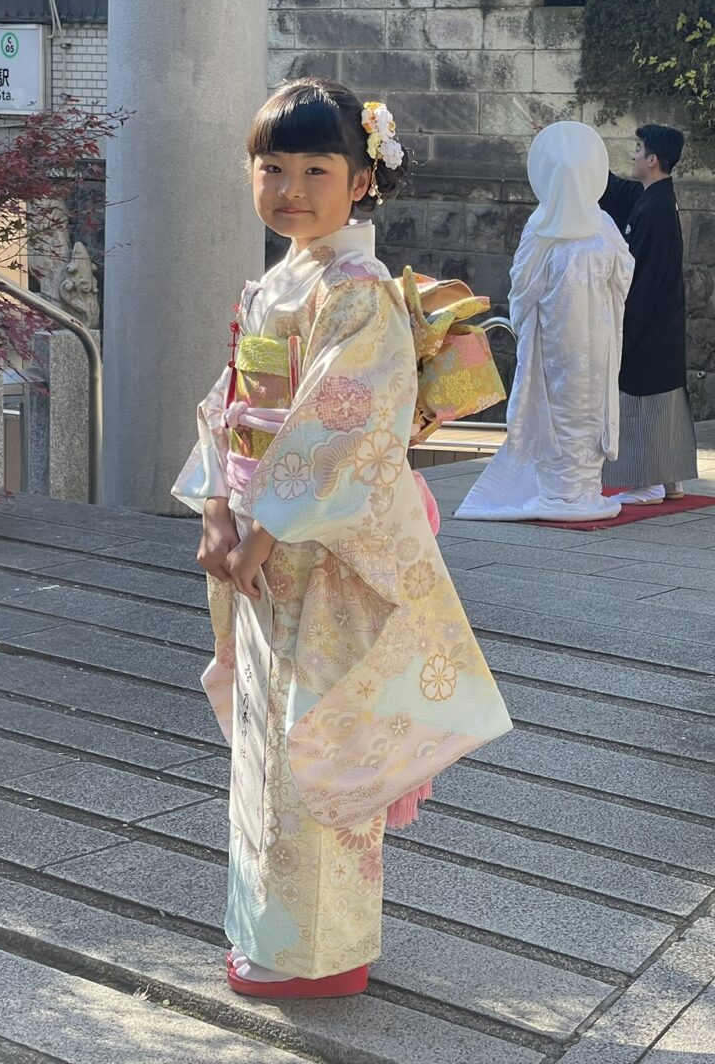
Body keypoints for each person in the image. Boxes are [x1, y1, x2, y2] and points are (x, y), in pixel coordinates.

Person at [172, 79, 513, 1001]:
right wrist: (216, 509)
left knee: (317, 744)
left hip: (320, 554)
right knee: (265, 739)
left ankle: (321, 952)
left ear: (362, 181)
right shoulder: (279, 283)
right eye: (271, 167)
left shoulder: (355, 292)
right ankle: (271, 933)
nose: (290, 188)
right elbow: (228, 407)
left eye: (315, 170)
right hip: (258, 537)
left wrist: (260, 531)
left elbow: (345, 425)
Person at [456, 122, 634, 522]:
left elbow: (523, 288)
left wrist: (528, 320)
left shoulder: (544, 227)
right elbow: (623, 274)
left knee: (568, 411)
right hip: (589, 340)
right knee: (581, 410)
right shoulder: (600, 225)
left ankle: (566, 489)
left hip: (562, 339)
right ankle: (577, 490)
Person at [598, 123, 700, 504]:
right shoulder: (654, 197)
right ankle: (670, 477)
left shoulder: (655, 209)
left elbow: (643, 276)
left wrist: (625, 326)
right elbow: (617, 190)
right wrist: (579, 158)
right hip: (661, 321)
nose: (634, 154)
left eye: (639, 149)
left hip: (649, 320)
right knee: (664, 397)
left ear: (653, 159)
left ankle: (647, 483)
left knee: (642, 397)